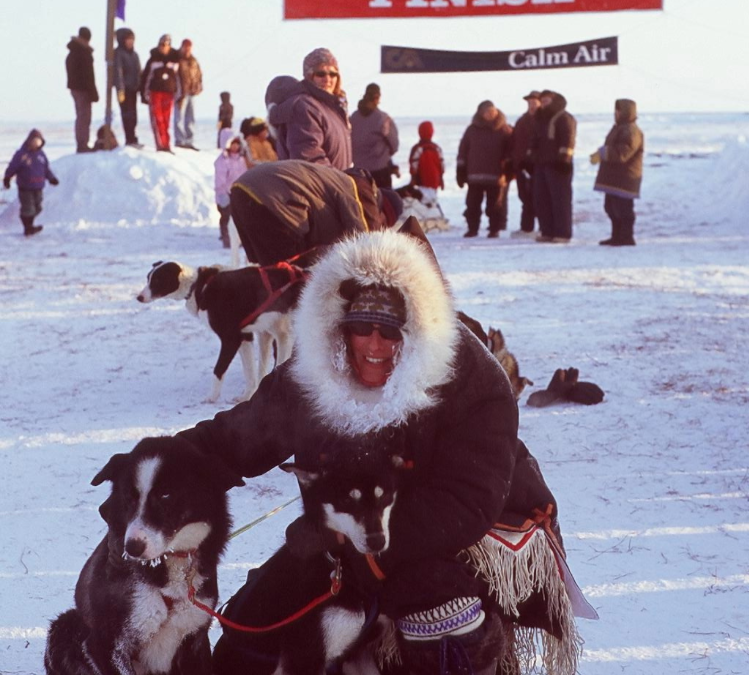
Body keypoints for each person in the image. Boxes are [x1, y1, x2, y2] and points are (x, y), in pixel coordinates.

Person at [176, 228, 584, 675]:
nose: (374, 347)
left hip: (470, 532)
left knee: (437, 609)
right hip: (356, 522)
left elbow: (466, 502)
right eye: (360, 330)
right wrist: (158, 470)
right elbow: (239, 438)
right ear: (338, 328)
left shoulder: (470, 378)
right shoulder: (318, 368)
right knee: (254, 618)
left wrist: (350, 544)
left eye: (390, 332)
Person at [228, 160, 390, 265]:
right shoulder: (355, 188)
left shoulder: (332, 181)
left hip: (242, 190)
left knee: (266, 272)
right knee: (286, 277)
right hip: (273, 198)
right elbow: (364, 241)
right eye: (385, 221)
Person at [266, 48, 352, 170]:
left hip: (335, 185)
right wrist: (340, 180)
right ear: (310, 76)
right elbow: (308, 156)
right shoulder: (305, 107)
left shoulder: (334, 109)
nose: (327, 79)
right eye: (321, 74)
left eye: (333, 74)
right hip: (316, 187)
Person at [590, 99, 644, 246]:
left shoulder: (631, 131)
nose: (616, 114)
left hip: (625, 178)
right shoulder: (619, 128)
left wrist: (603, 153)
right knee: (611, 207)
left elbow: (623, 153)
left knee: (623, 210)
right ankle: (617, 236)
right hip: (614, 178)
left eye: (618, 111)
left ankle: (626, 237)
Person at [456, 100, 513, 238]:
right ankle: (472, 229)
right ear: (481, 113)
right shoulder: (472, 130)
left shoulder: (504, 129)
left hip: (496, 176)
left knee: (494, 206)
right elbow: (463, 150)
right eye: (487, 111)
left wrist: (508, 171)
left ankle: (494, 229)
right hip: (474, 176)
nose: (490, 114)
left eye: (493, 111)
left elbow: (511, 152)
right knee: (472, 205)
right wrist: (461, 171)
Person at [530, 90, 577, 244]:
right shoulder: (540, 119)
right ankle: (547, 231)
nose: (543, 104)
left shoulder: (564, 117)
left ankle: (562, 233)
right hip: (542, 164)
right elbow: (536, 140)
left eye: (547, 101)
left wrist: (564, 160)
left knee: (560, 200)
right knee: (542, 199)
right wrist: (531, 157)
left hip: (558, 165)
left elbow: (568, 140)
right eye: (542, 101)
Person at [3, 129, 59, 237]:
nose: (36, 143)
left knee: (38, 208)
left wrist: (51, 178)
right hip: (25, 187)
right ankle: (28, 228)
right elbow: (12, 167)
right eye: (34, 140)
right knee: (28, 208)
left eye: (38, 141)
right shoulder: (21, 154)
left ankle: (30, 226)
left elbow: (46, 169)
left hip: (38, 186)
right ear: (29, 141)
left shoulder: (41, 155)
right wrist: (7, 178)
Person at [350, 83, 399, 188]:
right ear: (377, 97)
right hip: (380, 171)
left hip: (358, 172)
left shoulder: (352, 118)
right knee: (383, 202)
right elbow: (394, 145)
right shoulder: (383, 119)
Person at [140, 34, 181, 152]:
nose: (163, 47)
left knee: (166, 120)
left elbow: (179, 78)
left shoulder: (175, 60)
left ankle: (166, 144)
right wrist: (144, 94)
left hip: (169, 93)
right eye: (161, 44)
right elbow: (146, 77)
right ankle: (160, 144)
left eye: (166, 44)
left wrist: (179, 94)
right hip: (155, 93)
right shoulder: (153, 59)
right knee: (158, 119)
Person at [510, 90, 541, 238]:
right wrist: (515, 162)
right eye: (530, 103)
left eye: (534, 103)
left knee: (540, 198)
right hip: (521, 166)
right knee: (525, 197)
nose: (532, 105)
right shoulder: (522, 121)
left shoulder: (544, 120)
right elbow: (514, 143)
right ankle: (526, 228)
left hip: (538, 166)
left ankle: (544, 227)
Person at [65, 26, 99, 153]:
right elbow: (88, 75)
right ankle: (82, 144)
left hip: (77, 88)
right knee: (84, 117)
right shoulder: (82, 53)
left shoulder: (74, 52)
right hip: (82, 89)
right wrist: (93, 92)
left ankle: (82, 143)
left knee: (81, 116)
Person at [214, 134, 248, 248]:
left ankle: (240, 239)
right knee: (226, 218)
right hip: (226, 193)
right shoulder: (223, 161)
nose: (235, 146)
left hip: (238, 192)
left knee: (240, 217)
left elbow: (244, 175)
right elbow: (220, 179)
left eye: (237, 144)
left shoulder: (241, 159)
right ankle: (226, 238)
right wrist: (222, 193)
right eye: (232, 144)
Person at [114, 27, 142, 148]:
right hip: (124, 90)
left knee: (134, 115)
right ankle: (129, 138)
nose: (130, 42)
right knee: (127, 115)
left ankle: (133, 137)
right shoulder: (119, 54)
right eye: (128, 39)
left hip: (133, 89)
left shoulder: (134, 55)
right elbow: (118, 72)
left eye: (132, 39)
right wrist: (120, 90)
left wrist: (140, 87)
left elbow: (138, 71)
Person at [174, 39, 203, 150]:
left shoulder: (193, 61)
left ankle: (189, 140)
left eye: (189, 47)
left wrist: (198, 87)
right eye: (185, 47)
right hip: (181, 93)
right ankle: (180, 140)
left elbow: (199, 75)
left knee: (190, 118)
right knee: (179, 118)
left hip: (191, 93)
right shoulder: (177, 59)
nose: (187, 49)